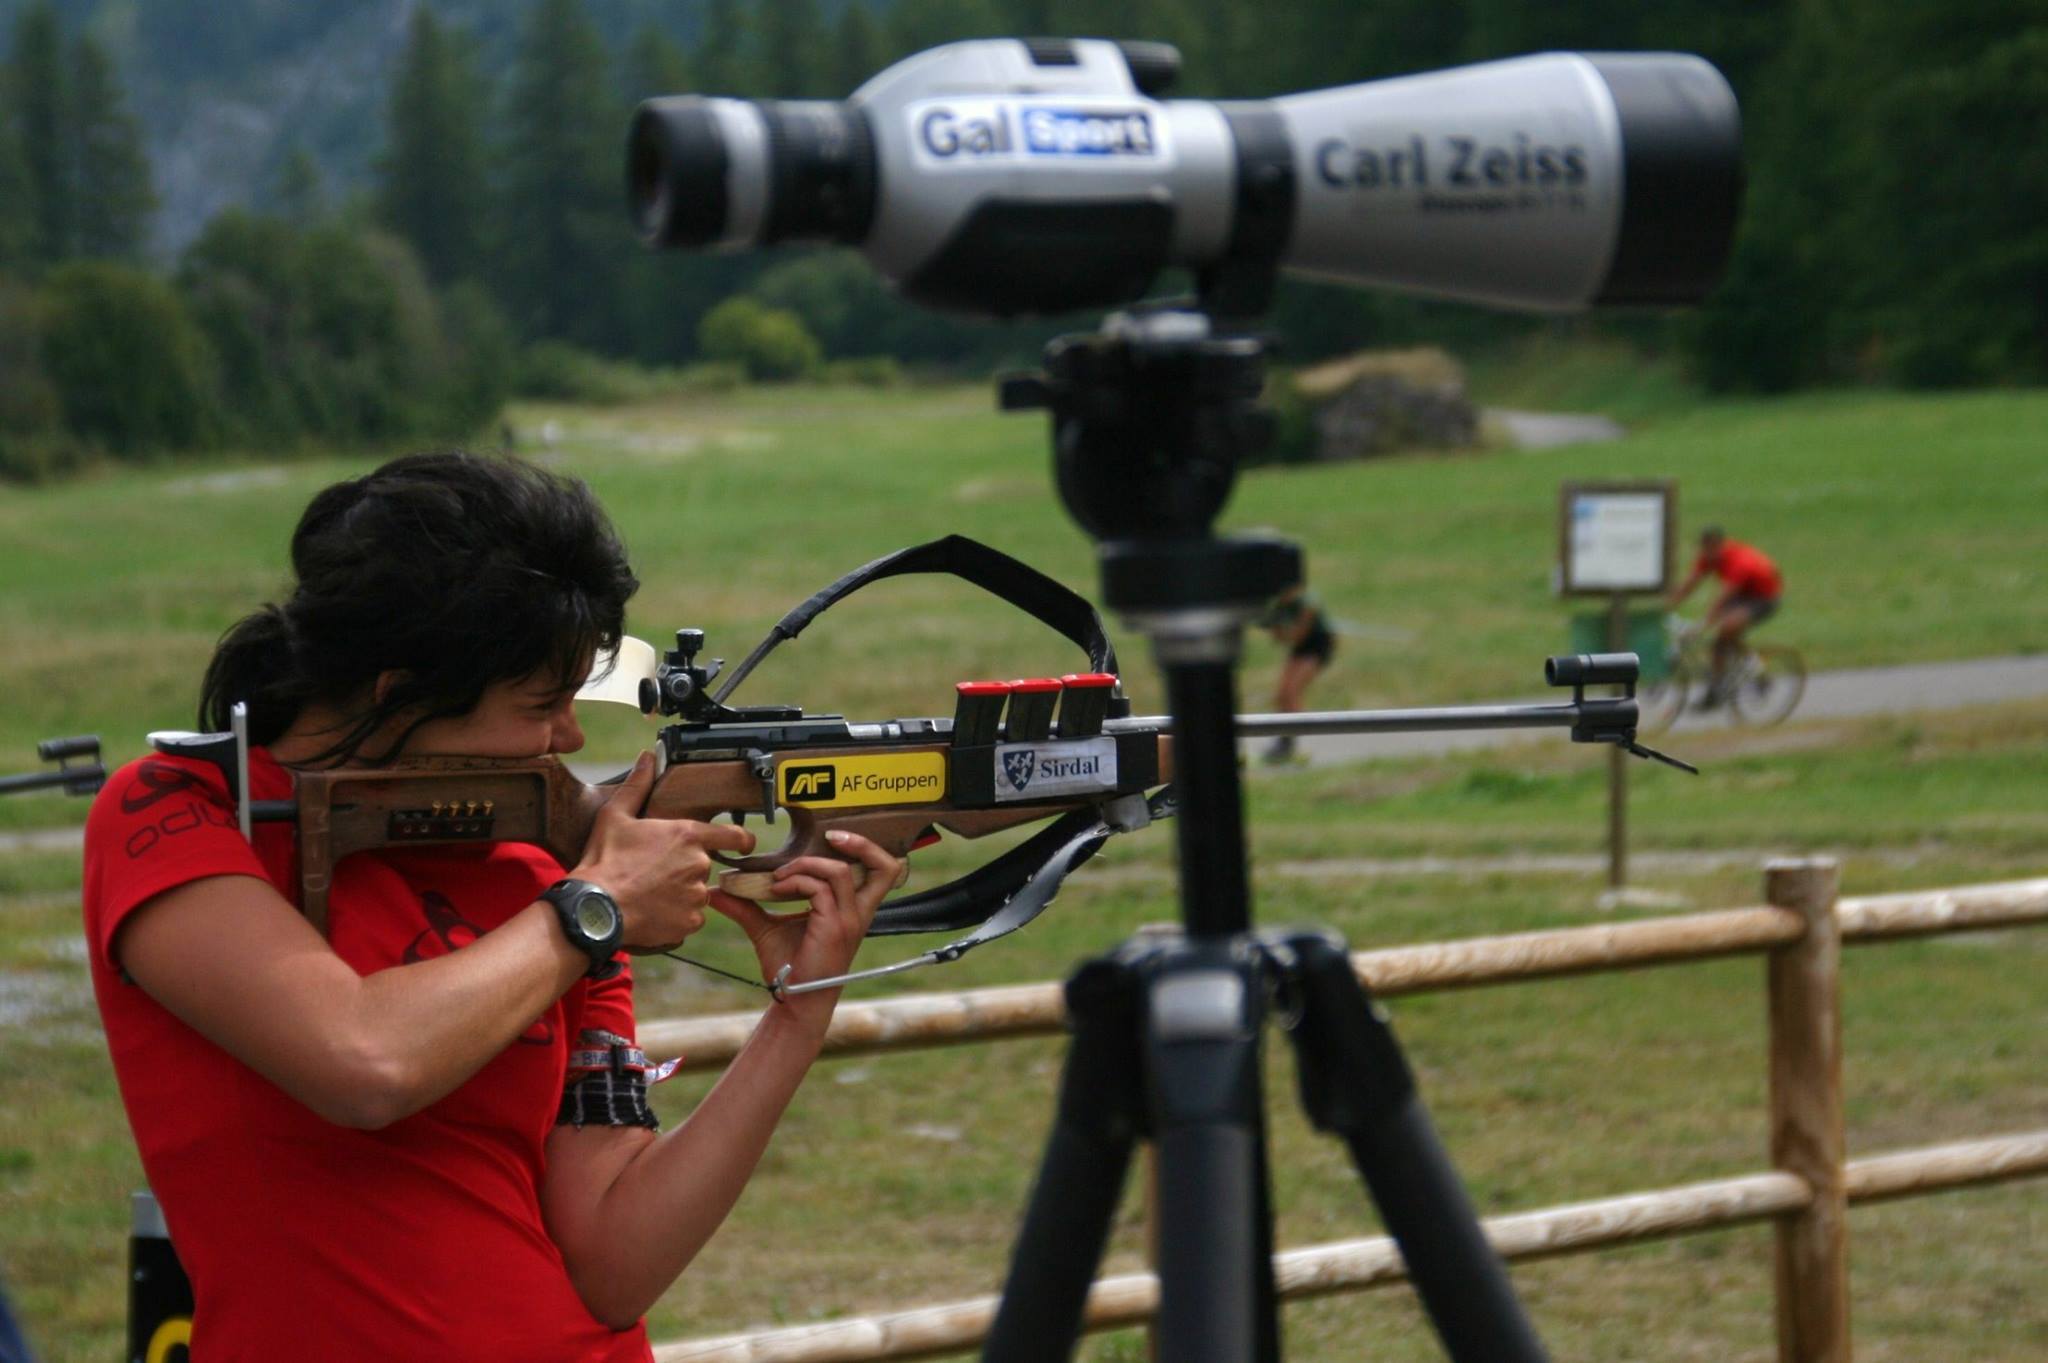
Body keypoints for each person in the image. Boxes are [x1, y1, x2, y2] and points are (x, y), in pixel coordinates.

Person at [82, 451, 901, 1362]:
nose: (571, 737)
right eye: (539, 703)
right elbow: (363, 1061)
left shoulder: (540, 861)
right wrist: (592, 907)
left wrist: (799, 1009)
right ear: (399, 696)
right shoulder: (178, 808)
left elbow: (615, 1267)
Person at [1666, 525, 1784, 709]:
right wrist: (1666, 605)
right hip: (1742, 593)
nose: (1708, 554)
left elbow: (1724, 597)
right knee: (1721, 642)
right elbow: (1690, 583)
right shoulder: (1708, 556)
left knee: (1727, 628)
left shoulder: (1740, 561)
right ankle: (1720, 683)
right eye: (1705, 550)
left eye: (1712, 550)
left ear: (1720, 545)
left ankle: (1748, 672)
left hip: (1763, 597)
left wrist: (1702, 624)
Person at [1257, 585, 1336, 765]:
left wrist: (1283, 632)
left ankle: (1302, 742)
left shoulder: (1307, 603)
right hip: (1300, 649)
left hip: (1317, 648)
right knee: (1281, 694)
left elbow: (1298, 634)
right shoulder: (1281, 606)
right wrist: (1276, 629)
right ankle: (1285, 742)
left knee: (1292, 692)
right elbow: (1280, 638)